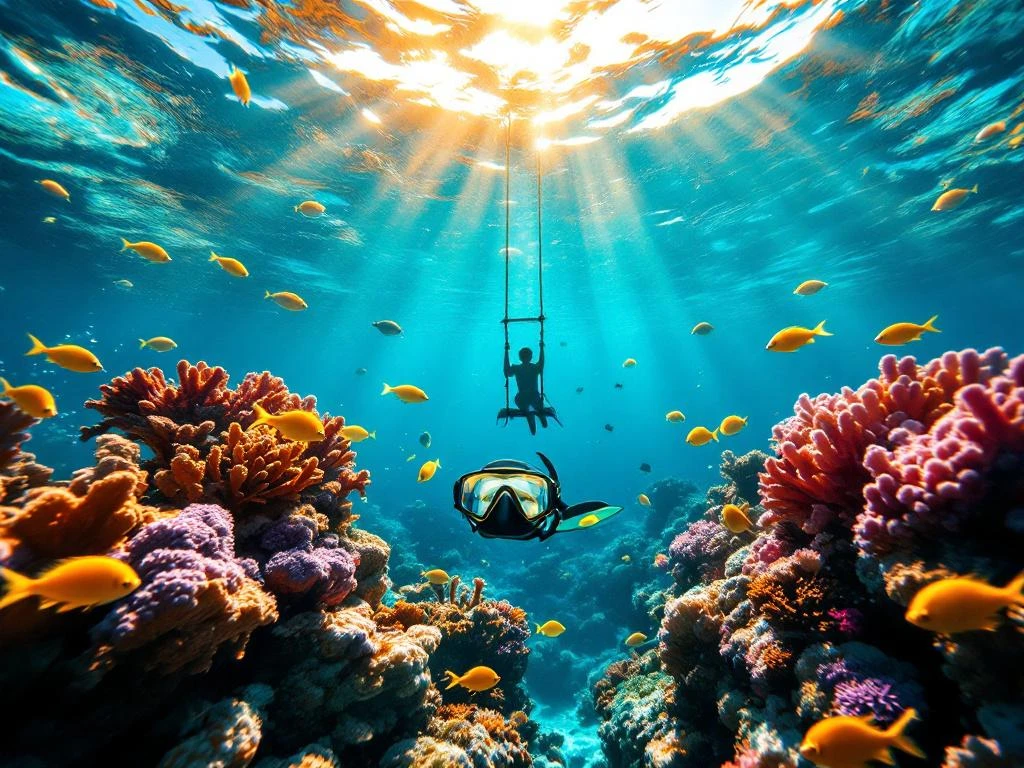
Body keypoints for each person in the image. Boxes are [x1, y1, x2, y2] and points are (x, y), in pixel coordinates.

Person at [453, 453, 623, 541]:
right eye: (488, 498)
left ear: (552, 504)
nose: (504, 505)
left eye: (525, 499)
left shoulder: (558, 518)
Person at [504, 343, 547, 434]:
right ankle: (538, 413)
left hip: (522, 396)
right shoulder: (534, 367)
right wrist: (541, 349)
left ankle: (531, 414)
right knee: (537, 405)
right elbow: (541, 364)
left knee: (527, 408)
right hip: (533, 395)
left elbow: (506, 372)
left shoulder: (517, 368)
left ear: (520, 358)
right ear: (531, 357)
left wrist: (506, 351)